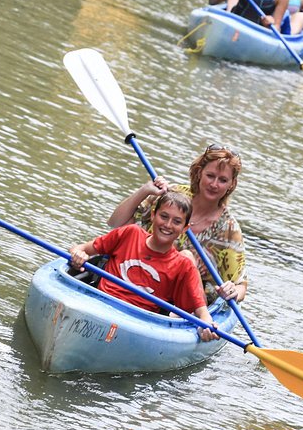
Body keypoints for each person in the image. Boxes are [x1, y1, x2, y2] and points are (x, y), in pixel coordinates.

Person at [107, 144, 247, 306]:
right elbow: (115, 224)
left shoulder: (229, 230)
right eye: (210, 176)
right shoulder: (171, 195)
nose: (214, 184)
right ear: (199, 172)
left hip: (182, 302)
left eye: (223, 180)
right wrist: (144, 191)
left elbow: (241, 285)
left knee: (187, 257)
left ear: (231, 184)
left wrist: (232, 291)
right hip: (138, 272)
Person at [69, 190, 215, 339]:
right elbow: (80, 248)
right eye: (164, 216)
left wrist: (206, 326)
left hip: (138, 323)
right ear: (153, 215)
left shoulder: (183, 265)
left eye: (177, 222)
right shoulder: (130, 233)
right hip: (99, 304)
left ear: (185, 228)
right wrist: (79, 255)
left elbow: (202, 312)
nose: (168, 225)